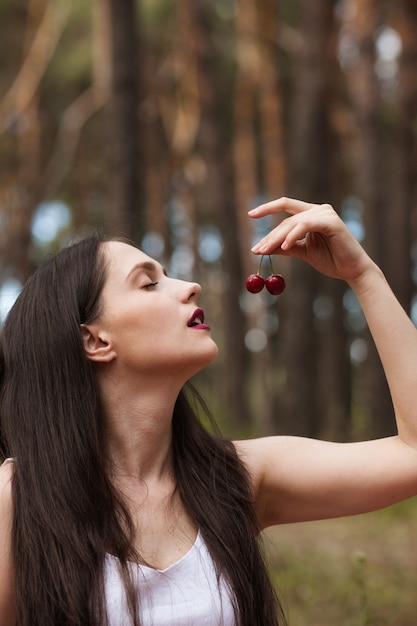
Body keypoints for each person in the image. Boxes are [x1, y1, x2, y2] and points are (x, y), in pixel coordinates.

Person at [1, 197, 417, 626]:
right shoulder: (21, 499)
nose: (189, 286)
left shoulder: (235, 477)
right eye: (149, 284)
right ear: (95, 341)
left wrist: (363, 275)